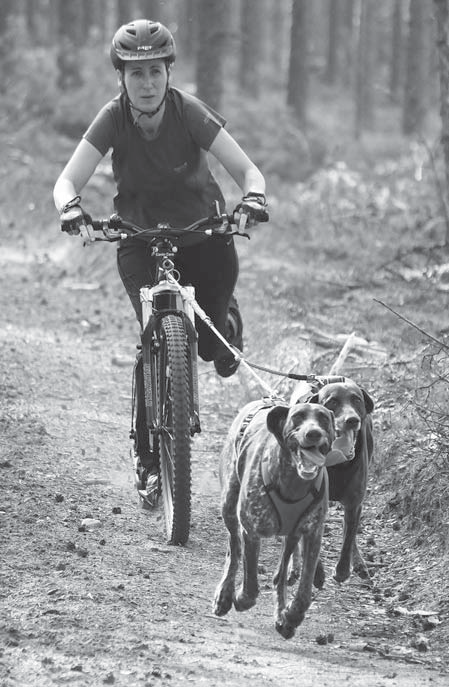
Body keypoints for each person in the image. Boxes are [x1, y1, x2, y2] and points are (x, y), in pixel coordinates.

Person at [53, 19, 268, 504]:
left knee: (213, 350)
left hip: (205, 234)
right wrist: (70, 209)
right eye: (135, 74)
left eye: (155, 71)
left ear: (169, 72)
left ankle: (225, 323)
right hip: (138, 237)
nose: (146, 83)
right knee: (155, 336)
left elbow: (247, 171)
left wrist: (252, 199)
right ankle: (149, 462)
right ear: (121, 78)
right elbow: (67, 181)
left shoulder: (188, 112)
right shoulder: (112, 118)